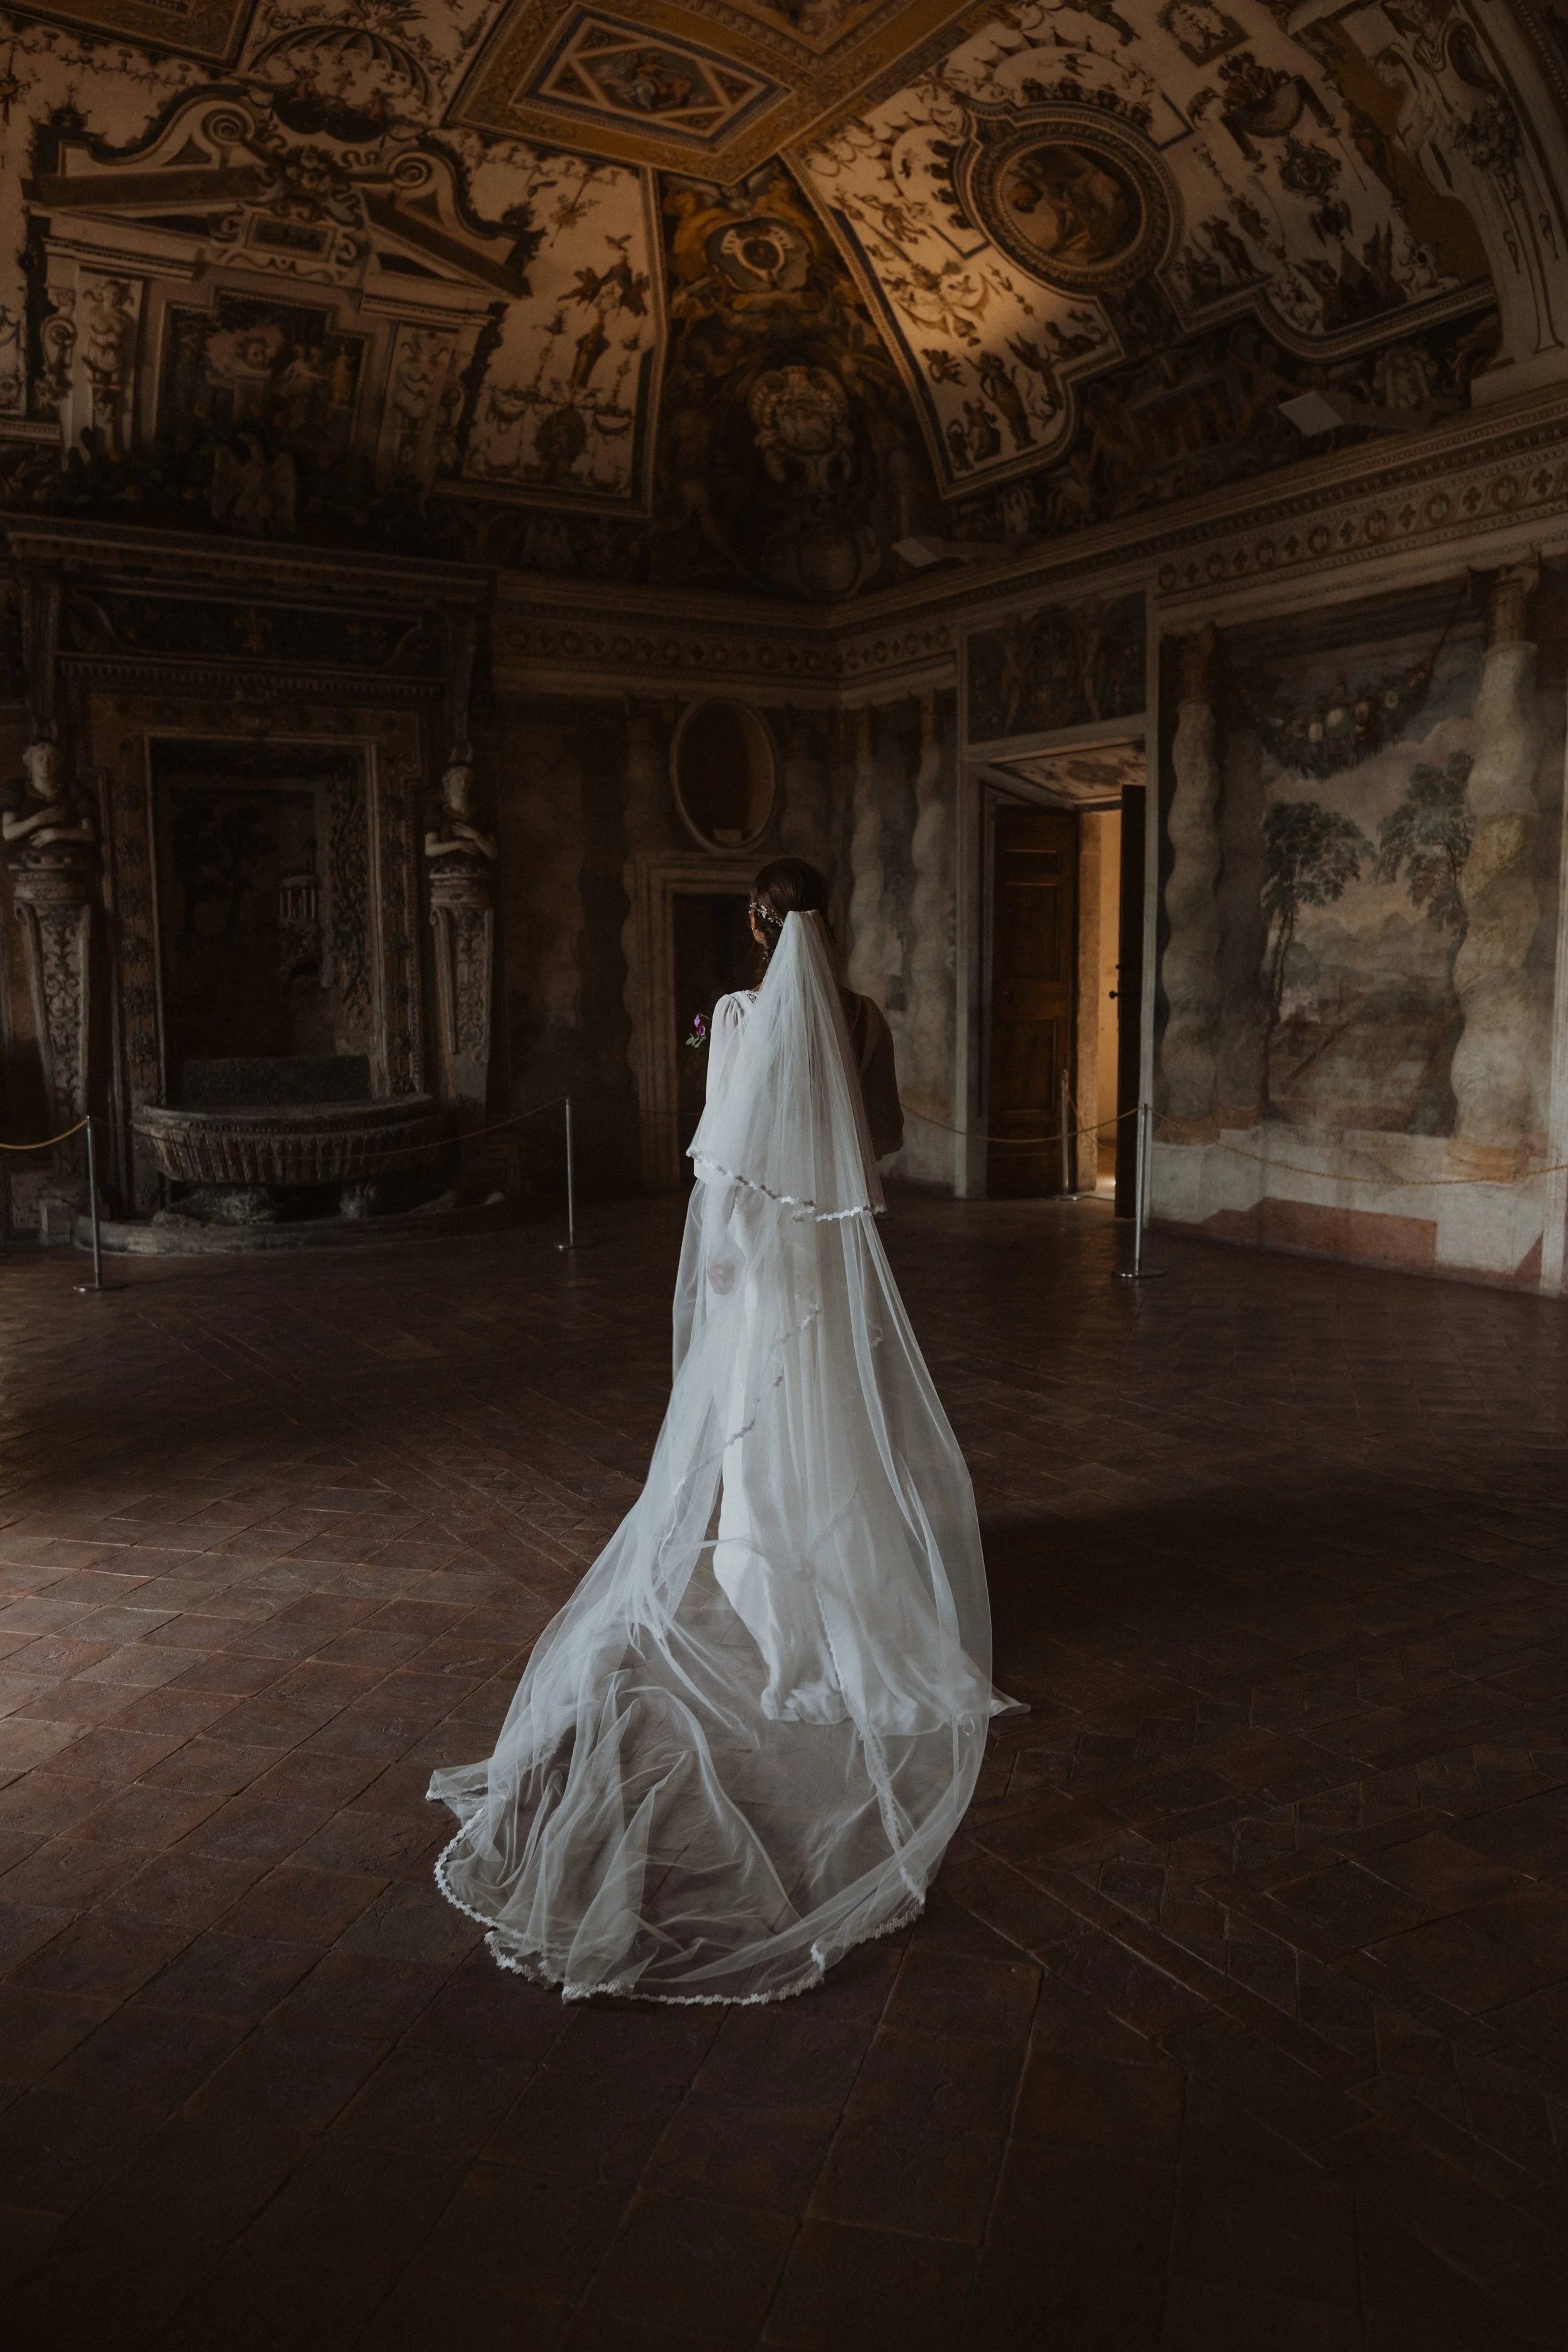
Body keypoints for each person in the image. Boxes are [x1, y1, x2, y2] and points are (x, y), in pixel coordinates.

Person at [429, 856, 1009, 2004]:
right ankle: (843, 1569)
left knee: (752, 1423)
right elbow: (878, 1140)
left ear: (756, 920)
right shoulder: (862, 1014)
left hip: (761, 1255)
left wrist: (742, 1244)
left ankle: (766, 1578)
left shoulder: (741, 1012)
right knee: (833, 1411)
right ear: (822, 915)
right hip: (831, 1252)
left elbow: (721, 1157)